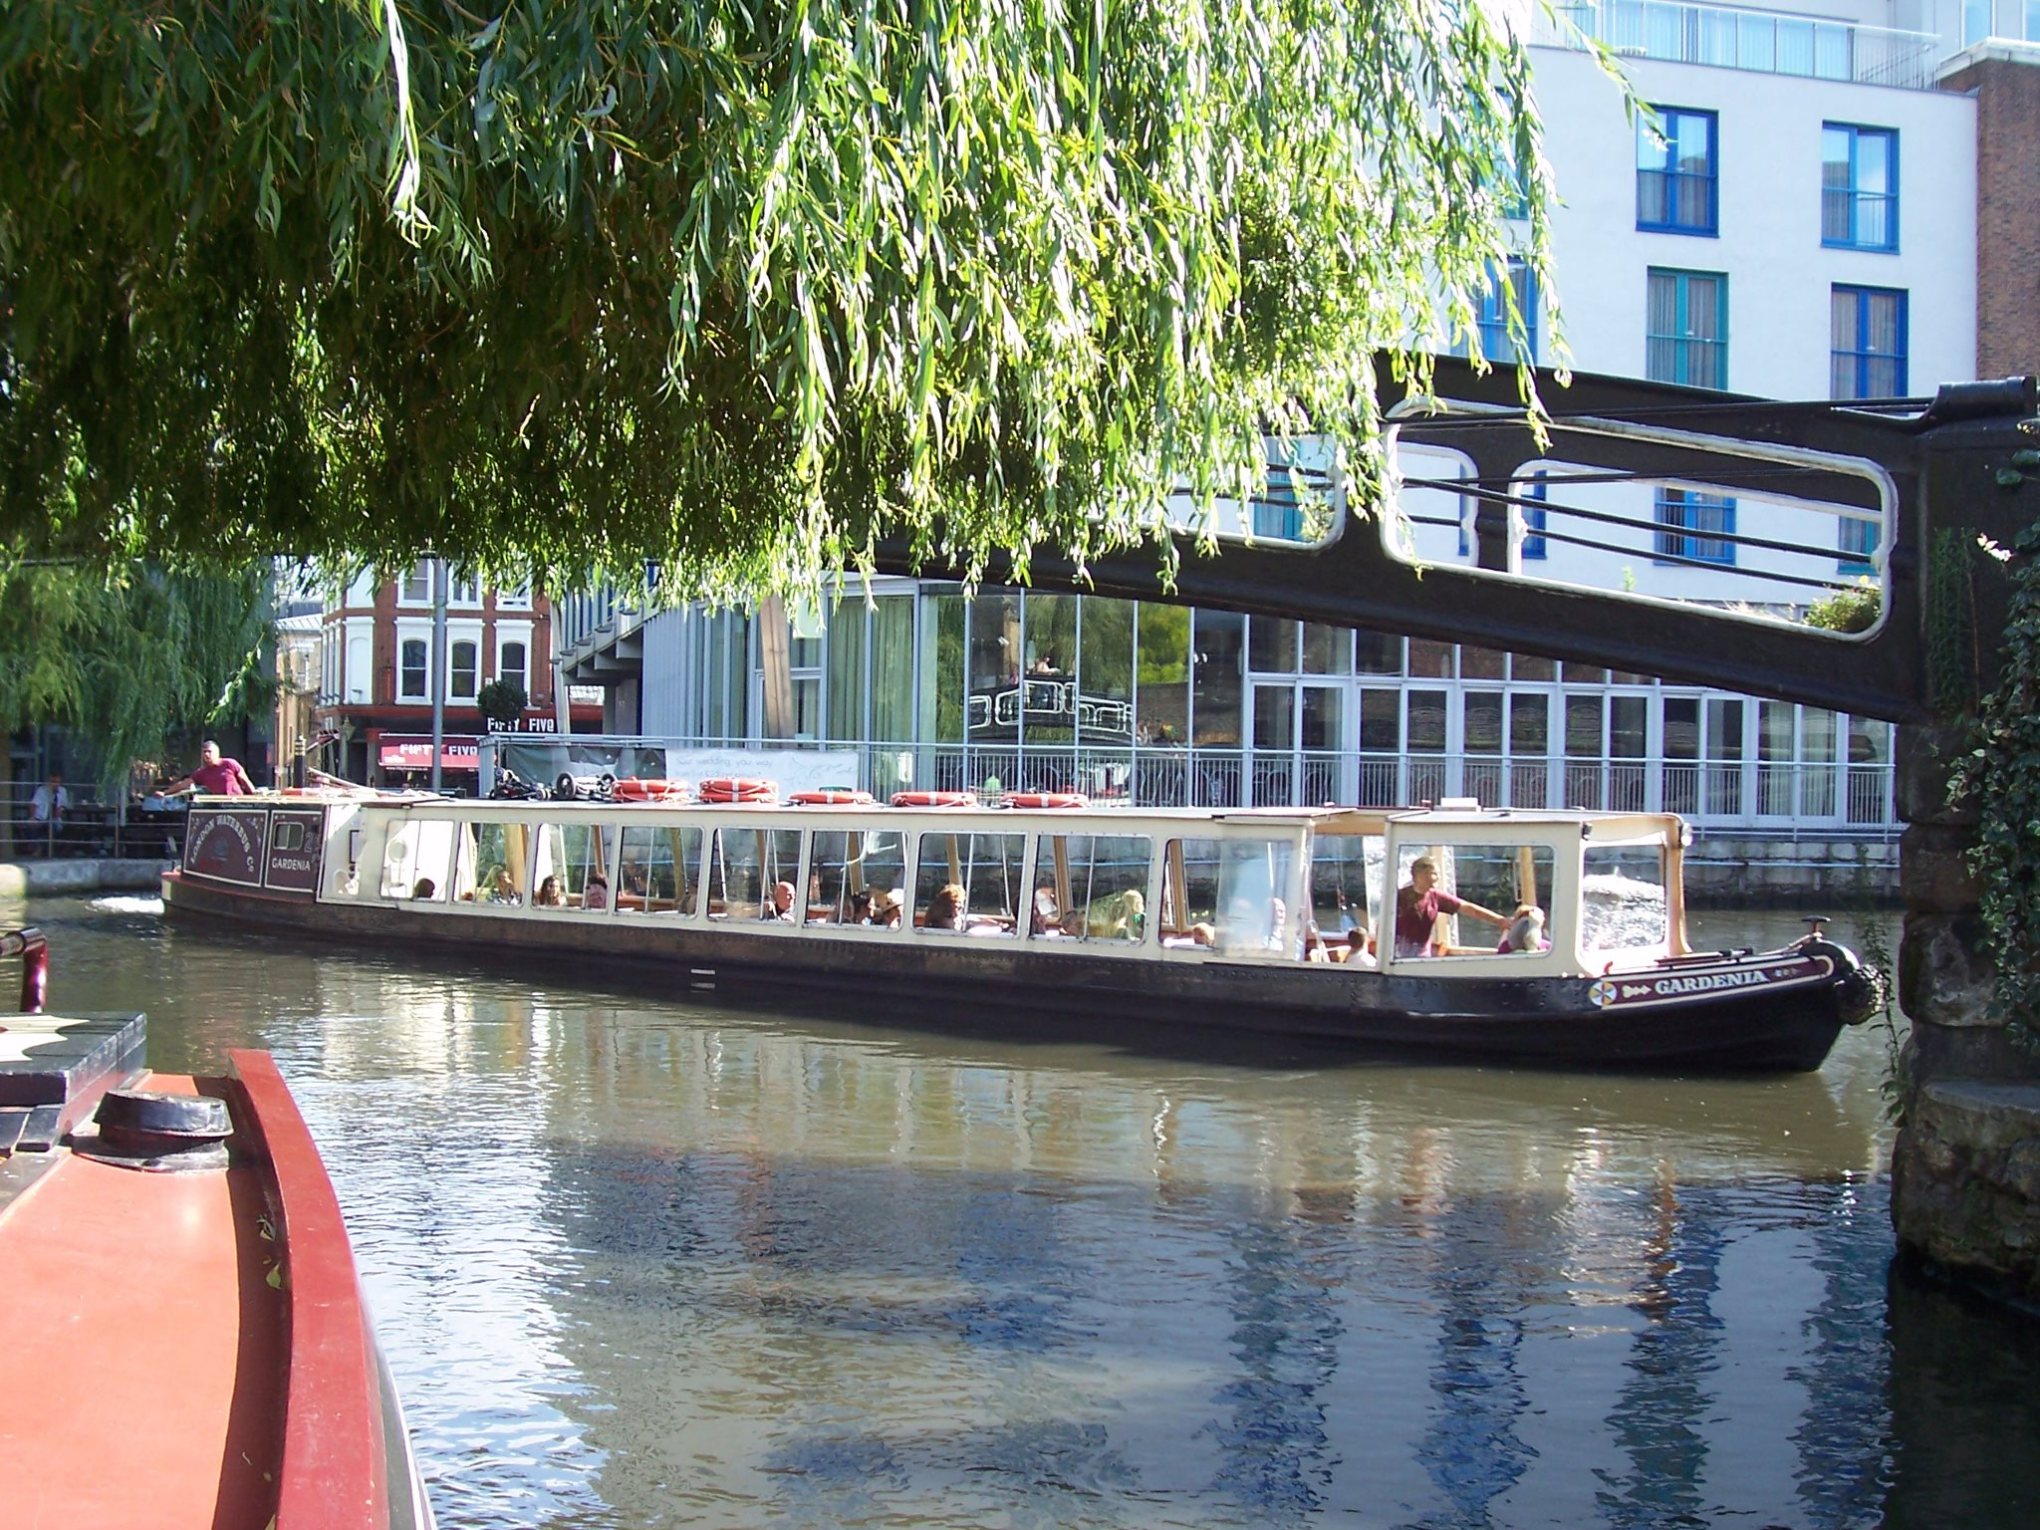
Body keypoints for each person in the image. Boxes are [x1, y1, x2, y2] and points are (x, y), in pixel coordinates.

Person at [1394, 856, 1506, 958]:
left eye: (1438, 873)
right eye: (1434, 873)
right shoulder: (1399, 897)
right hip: (1398, 956)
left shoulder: (1435, 897)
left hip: (1423, 957)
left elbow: (1468, 908)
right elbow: (1383, 926)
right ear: (1419, 875)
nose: (1438, 877)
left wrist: (1500, 921)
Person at [170, 740, 258, 797]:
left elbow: (244, 779)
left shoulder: (229, 763)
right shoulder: (201, 773)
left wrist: (254, 794)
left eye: (209, 751)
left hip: (237, 802)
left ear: (217, 753)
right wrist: (165, 792)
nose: (206, 754)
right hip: (218, 804)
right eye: (204, 752)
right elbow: (184, 784)